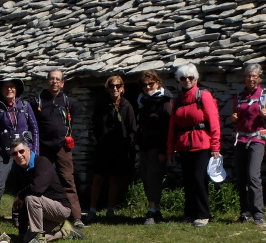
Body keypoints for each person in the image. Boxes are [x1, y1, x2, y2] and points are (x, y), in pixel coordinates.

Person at [166, 63, 221, 227]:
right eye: (183, 78)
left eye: (190, 77)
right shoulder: (177, 100)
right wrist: (170, 148)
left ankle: (203, 213)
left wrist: (215, 146)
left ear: (196, 78)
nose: (187, 81)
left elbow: (214, 122)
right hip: (184, 145)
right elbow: (172, 127)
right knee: (188, 180)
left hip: (202, 143)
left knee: (198, 179)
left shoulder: (203, 96)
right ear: (179, 80)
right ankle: (190, 213)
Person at [0, 77, 39, 234]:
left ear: (17, 89)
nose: (9, 89)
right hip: (5, 153)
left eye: (12, 87)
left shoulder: (25, 107)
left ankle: (18, 216)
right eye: (6, 87)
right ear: (1, 91)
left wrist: (34, 152)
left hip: (23, 153)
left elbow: (34, 129)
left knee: (22, 185)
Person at [30, 69, 83, 228]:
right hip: (43, 148)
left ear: (62, 83)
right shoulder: (37, 102)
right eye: (51, 79)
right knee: (42, 179)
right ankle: (41, 213)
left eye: (58, 79)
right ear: (47, 81)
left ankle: (76, 217)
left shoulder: (68, 102)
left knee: (68, 180)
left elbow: (70, 123)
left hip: (62, 147)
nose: (54, 82)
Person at [9, 137, 84, 243]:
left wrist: (20, 195)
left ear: (28, 150)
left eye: (21, 151)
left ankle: (38, 237)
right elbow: (22, 204)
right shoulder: (21, 171)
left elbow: (36, 188)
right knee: (26, 240)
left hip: (61, 209)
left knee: (30, 198)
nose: (19, 155)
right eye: (15, 154)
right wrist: (22, 232)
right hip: (44, 210)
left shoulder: (42, 162)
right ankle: (65, 232)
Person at [232, 63, 266, 227]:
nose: (251, 78)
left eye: (254, 76)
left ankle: (258, 215)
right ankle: (244, 212)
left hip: (257, 139)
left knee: (253, 176)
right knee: (241, 177)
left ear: (259, 78)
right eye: (248, 75)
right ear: (244, 78)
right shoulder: (240, 97)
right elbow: (238, 118)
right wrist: (235, 119)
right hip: (241, 139)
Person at [86, 75, 137, 223]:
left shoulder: (127, 106)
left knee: (115, 179)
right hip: (102, 148)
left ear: (122, 88)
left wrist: (129, 145)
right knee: (98, 178)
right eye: (112, 86)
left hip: (119, 149)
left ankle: (110, 209)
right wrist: (95, 142)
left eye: (118, 85)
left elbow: (132, 128)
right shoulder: (102, 105)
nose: (115, 88)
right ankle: (92, 209)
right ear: (107, 89)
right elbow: (94, 125)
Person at [133, 69, 173, 225]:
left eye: (151, 83)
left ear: (158, 83)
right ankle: (154, 209)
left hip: (157, 146)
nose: (148, 87)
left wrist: (164, 150)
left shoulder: (165, 101)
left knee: (154, 177)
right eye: (145, 85)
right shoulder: (142, 101)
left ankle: (153, 210)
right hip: (145, 145)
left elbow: (167, 127)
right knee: (146, 177)